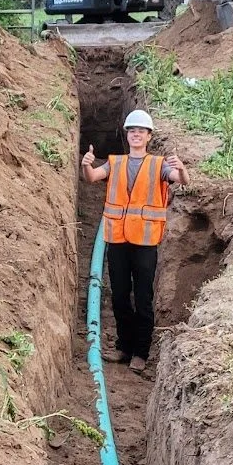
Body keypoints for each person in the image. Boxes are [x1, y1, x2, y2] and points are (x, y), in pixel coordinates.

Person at [80, 109, 190, 374]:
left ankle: (140, 352)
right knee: (118, 295)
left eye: (141, 131)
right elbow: (92, 177)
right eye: (132, 131)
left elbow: (182, 181)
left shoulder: (159, 165)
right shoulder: (115, 163)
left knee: (143, 297)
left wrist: (182, 169)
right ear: (127, 135)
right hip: (117, 239)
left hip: (144, 242)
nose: (136, 134)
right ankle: (123, 347)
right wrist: (86, 164)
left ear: (149, 136)